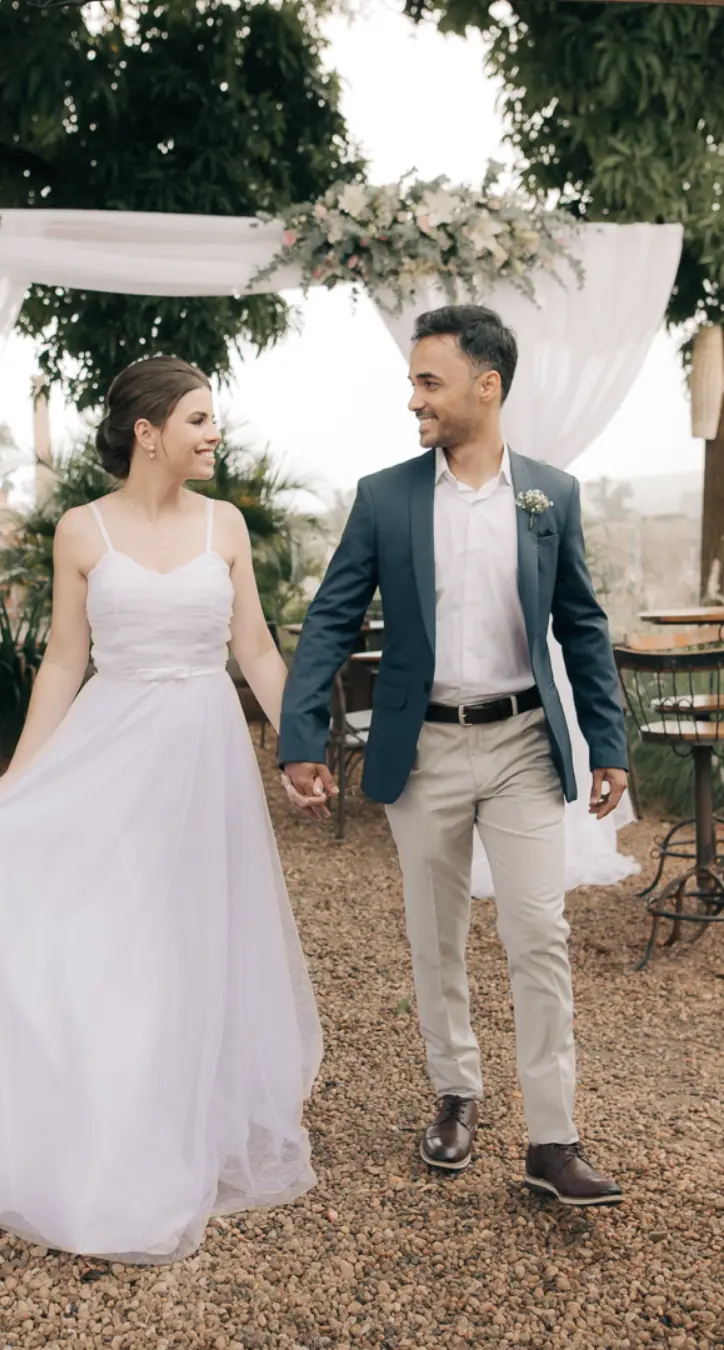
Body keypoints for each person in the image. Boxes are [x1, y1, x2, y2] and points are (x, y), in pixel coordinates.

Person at [0, 356, 322, 1262]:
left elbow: (254, 647)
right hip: (114, 744)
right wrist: (14, 782)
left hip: (202, 749)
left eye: (213, 420)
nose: (215, 434)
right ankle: (85, 1127)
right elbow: (65, 660)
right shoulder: (81, 530)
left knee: (185, 931)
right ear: (147, 434)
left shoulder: (225, 526)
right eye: (198, 420)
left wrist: (298, 746)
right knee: (106, 929)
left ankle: (176, 1111)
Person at [280, 305, 627, 1208]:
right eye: (411, 382)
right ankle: (457, 1093)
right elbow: (330, 619)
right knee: (436, 936)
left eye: (428, 381)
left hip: (521, 743)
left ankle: (553, 1139)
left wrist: (608, 742)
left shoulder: (552, 493)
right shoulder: (385, 496)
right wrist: (301, 738)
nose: (413, 400)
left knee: (539, 932)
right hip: (422, 744)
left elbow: (582, 626)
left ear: (487, 385)